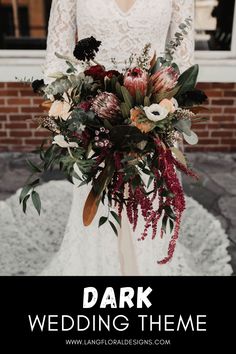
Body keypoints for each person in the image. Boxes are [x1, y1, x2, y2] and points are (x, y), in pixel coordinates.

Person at [41, 0, 232, 276]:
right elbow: (55, 61)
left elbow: (183, 61)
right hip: (93, 123)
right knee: (99, 206)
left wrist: (165, 118)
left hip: (154, 120)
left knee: (150, 201)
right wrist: (72, 115)